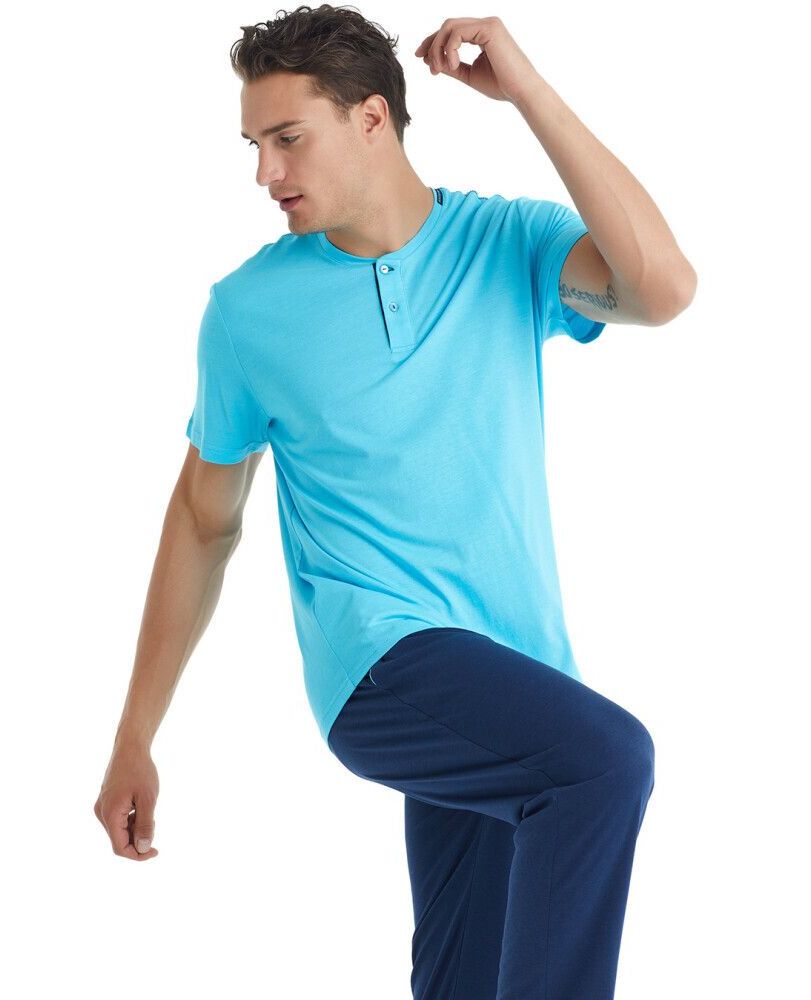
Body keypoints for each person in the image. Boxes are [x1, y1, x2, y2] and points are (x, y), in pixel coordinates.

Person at [94, 6, 696, 998]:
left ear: (370, 118)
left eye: (287, 138)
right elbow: (203, 519)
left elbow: (662, 288)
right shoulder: (247, 311)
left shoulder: (508, 244)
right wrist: (134, 735)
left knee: (464, 974)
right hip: (379, 662)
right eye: (254, 144)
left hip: (512, 667)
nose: (265, 172)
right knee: (603, 763)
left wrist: (528, 94)